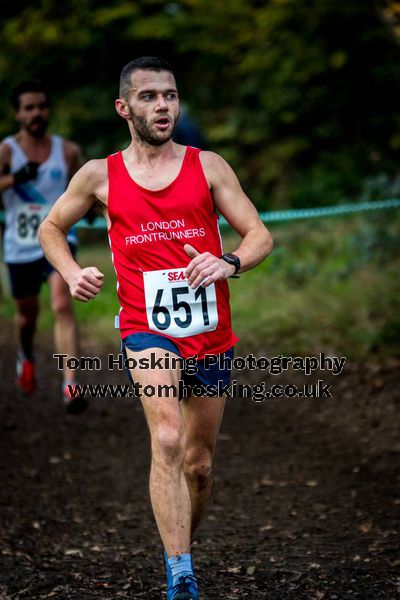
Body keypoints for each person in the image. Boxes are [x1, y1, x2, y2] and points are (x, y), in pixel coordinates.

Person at [39, 57, 273, 599]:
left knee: (199, 464)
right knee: (166, 438)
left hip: (210, 332)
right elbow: (52, 226)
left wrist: (229, 262)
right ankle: (181, 574)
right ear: (124, 107)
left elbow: (258, 233)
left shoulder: (209, 166)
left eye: (169, 95)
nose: (163, 105)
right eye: (148, 97)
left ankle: (180, 545)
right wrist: (72, 272)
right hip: (146, 328)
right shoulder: (99, 175)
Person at [0, 81, 87, 414]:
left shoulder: (67, 151)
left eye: (41, 106)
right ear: (18, 113)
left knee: (62, 302)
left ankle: (71, 383)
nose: (37, 113)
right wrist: (14, 179)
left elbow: (86, 191)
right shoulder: (7, 151)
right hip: (20, 245)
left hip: (61, 239)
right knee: (27, 316)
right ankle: (26, 354)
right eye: (29, 108)